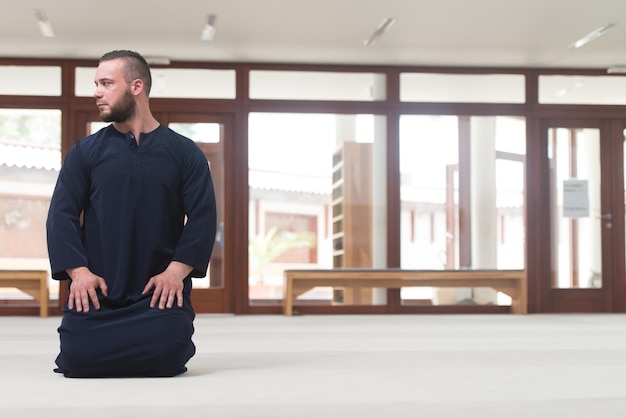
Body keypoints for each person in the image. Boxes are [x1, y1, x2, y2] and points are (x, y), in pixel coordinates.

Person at [46, 50, 217, 378]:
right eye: (96, 83)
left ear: (136, 86)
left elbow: (203, 217)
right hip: (98, 292)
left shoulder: (184, 153)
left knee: (168, 357)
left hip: (157, 294)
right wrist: (79, 273)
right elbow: (61, 215)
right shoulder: (85, 152)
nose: (97, 92)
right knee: (77, 359)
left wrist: (175, 274)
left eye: (106, 83)